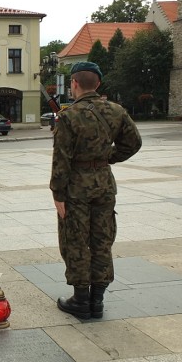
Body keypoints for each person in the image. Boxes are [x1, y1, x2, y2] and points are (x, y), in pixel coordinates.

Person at [50, 62, 142, 319]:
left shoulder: (68, 116)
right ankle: (97, 301)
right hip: (103, 184)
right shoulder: (116, 111)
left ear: (75, 84)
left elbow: (61, 160)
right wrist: (108, 157)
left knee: (76, 241)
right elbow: (134, 142)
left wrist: (57, 193)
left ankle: (80, 300)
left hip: (76, 188)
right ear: (98, 84)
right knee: (102, 240)